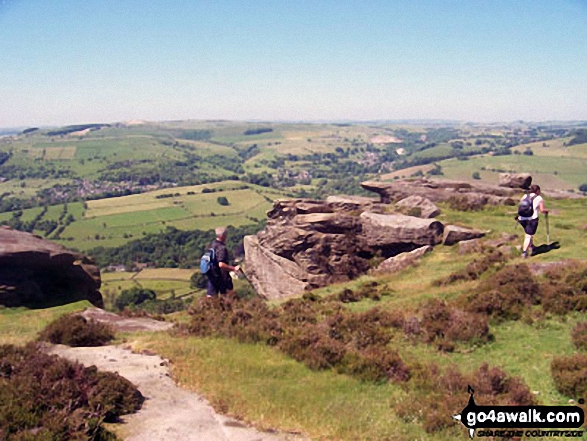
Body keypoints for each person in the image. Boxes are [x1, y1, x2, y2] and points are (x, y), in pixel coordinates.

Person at [206, 226, 240, 297]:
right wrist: (234, 269)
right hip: (222, 278)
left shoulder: (211, 245)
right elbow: (221, 264)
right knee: (228, 298)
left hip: (212, 276)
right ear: (224, 236)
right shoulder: (221, 248)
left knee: (211, 299)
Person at [517, 184, 548, 258]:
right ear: (537, 190)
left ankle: (532, 247)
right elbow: (542, 210)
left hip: (522, 218)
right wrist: (546, 211)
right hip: (532, 219)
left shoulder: (525, 196)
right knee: (528, 235)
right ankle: (524, 252)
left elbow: (521, 206)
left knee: (528, 233)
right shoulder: (539, 198)